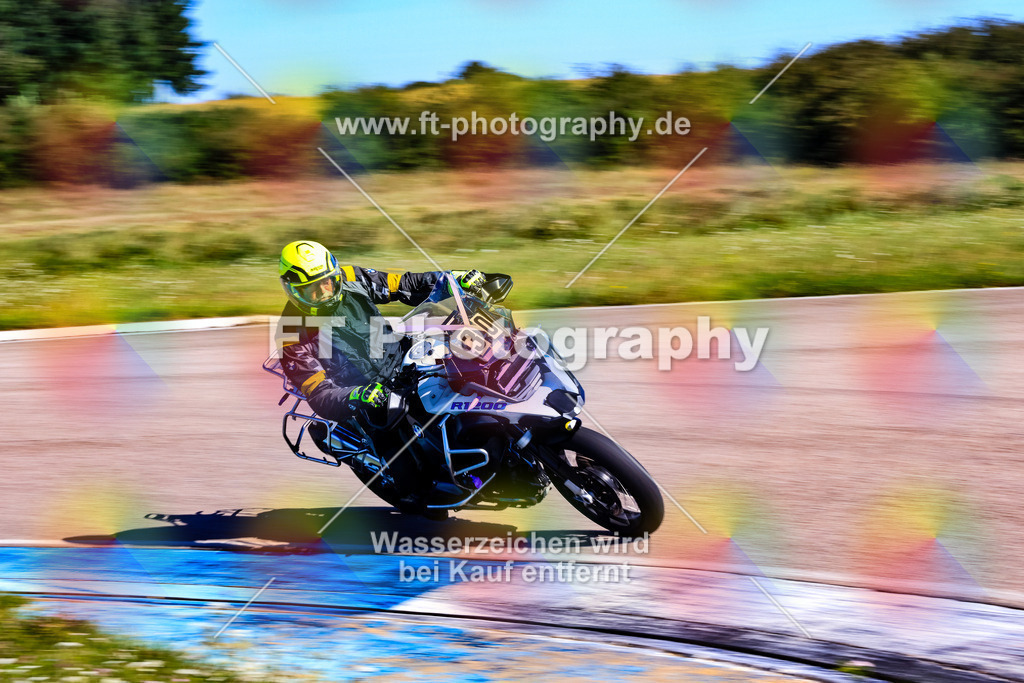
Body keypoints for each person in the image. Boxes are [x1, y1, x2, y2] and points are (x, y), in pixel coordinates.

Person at [275, 240, 484, 511]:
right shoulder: (290, 333)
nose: (325, 292)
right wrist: (358, 395)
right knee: (389, 424)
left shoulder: (350, 278)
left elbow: (403, 284)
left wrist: (453, 280)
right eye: (312, 291)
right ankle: (416, 496)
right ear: (292, 291)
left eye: (328, 282)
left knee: (467, 361)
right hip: (364, 392)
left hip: (401, 356)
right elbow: (319, 395)